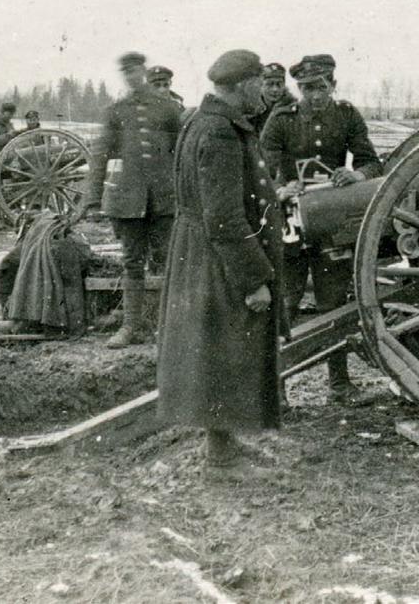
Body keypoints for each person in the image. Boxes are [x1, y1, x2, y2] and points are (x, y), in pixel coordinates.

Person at [157, 49, 285, 470]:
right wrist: (253, 279)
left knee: (217, 347)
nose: (263, 92)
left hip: (199, 248)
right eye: (258, 83)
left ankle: (223, 442)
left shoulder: (198, 120)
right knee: (226, 346)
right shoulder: (221, 132)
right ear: (244, 84)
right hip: (218, 254)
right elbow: (226, 217)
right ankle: (220, 454)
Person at [260, 53, 382, 402]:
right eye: (307, 88)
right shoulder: (282, 119)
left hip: (332, 221)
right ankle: (275, 388)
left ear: (333, 85)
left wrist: (356, 174)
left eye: (321, 87)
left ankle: (339, 384)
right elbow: (259, 170)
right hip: (290, 220)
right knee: (286, 303)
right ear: (298, 89)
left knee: (334, 302)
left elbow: (371, 161)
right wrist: (280, 189)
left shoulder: (346, 115)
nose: (315, 95)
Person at [85, 51, 181, 348]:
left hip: (164, 199)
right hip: (129, 200)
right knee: (132, 263)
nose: (132, 76)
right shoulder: (116, 110)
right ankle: (130, 326)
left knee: (169, 261)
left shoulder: (168, 108)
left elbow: (182, 152)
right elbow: (100, 154)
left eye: (136, 70)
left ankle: (172, 327)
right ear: (123, 76)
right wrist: (92, 198)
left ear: (143, 70)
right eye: (126, 72)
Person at [249, 62, 296, 138]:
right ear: (261, 86)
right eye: (269, 84)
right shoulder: (252, 111)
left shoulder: (293, 110)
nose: (275, 89)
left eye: (279, 84)